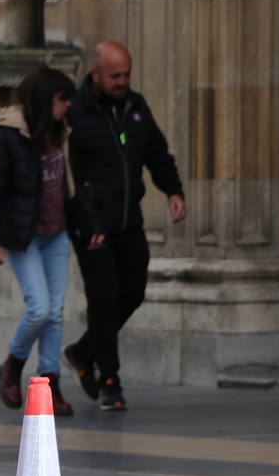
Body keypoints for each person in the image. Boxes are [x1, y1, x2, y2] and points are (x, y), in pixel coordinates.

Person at [63, 41, 187, 411]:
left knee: (132, 292)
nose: (122, 81)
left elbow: (157, 151)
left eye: (127, 74)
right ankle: (110, 381)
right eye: (115, 75)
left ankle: (84, 352)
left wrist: (172, 190)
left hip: (128, 220)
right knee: (103, 301)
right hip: (93, 224)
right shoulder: (76, 114)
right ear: (95, 74)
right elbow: (75, 177)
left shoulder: (135, 107)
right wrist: (92, 221)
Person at [0, 66, 78, 416]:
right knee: (39, 307)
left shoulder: (59, 129)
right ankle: (13, 364)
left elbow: (69, 183)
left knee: (55, 312)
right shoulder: (9, 134)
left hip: (57, 233)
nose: (67, 105)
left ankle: (49, 384)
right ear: (42, 98)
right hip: (23, 236)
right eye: (61, 98)